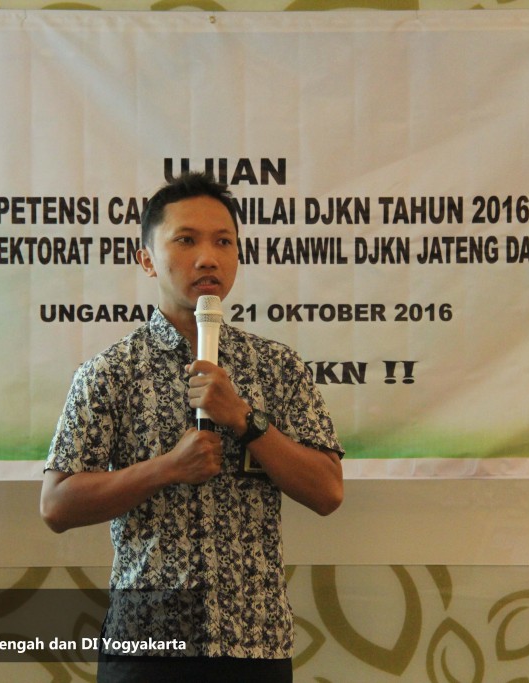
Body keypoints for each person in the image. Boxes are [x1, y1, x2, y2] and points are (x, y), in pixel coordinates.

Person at [40, 172, 344, 683]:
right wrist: (166, 468)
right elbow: (56, 505)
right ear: (146, 259)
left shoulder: (277, 367)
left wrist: (245, 420)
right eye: (186, 240)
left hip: (255, 643)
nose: (208, 258)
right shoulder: (111, 372)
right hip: (147, 645)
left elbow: (328, 491)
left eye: (223, 242)